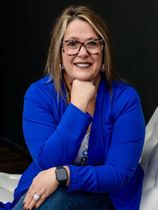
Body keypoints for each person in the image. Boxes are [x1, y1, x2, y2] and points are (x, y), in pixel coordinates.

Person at [0, 4, 145, 210]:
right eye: (72, 43)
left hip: (104, 195)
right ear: (60, 52)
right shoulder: (39, 95)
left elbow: (118, 174)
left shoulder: (126, 99)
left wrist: (64, 175)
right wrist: (78, 105)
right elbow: (47, 162)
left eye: (92, 43)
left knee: (57, 201)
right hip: (46, 187)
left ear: (103, 52)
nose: (82, 52)